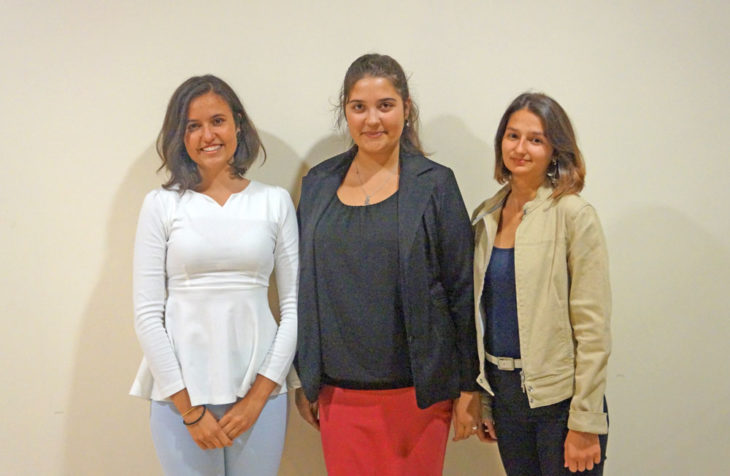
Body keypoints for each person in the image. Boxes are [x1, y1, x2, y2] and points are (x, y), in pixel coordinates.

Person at [293, 53, 483, 476]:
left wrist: (469, 386)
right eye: (359, 107)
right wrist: (304, 376)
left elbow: (461, 290)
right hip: (337, 395)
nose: (372, 119)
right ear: (345, 111)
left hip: (418, 396)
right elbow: (302, 287)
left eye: (385, 105)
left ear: (406, 108)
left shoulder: (436, 184)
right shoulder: (318, 184)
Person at [129, 75, 298, 476]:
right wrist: (189, 410)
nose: (208, 135)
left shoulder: (274, 202)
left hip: (260, 394)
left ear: (237, 123)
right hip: (179, 399)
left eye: (218, 121)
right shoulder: (161, 205)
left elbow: (294, 307)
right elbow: (147, 315)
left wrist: (258, 398)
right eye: (193, 125)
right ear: (180, 135)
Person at [472, 92, 611, 474]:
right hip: (506, 400)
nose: (521, 148)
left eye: (535, 139)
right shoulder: (486, 217)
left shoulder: (573, 214)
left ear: (555, 149)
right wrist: (487, 400)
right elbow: (485, 318)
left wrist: (585, 421)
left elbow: (593, 329)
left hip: (561, 404)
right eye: (513, 136)